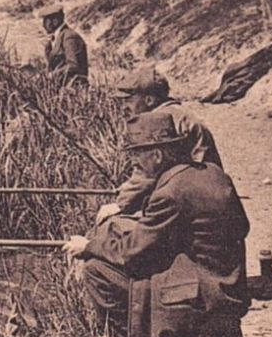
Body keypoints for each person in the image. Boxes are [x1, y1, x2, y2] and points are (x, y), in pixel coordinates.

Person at [64, 110, 251, 337]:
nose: (133, 161)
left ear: (158, 156)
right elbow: (241, 227)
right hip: (228, 281)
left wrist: (88, 246)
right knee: (117, 234)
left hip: (205, 292)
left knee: (96, 270)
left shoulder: (170, 191)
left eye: (138, 154)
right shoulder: (212, 173)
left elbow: (132, 252)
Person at [96, 65, 224, 224]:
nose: (124, 107)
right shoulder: (179, 114)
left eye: (128, 100)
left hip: (192, 204)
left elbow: (148, 173)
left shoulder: (159, 121)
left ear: (149, 100)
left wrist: (121, 204)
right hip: (209, 197)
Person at [39, 5, 89, 85]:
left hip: (74, 88)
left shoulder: (69, 37)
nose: (44, 25)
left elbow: (73, 65)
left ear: (55, 21)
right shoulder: (58, 37)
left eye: (46, 21)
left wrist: (52, 75)